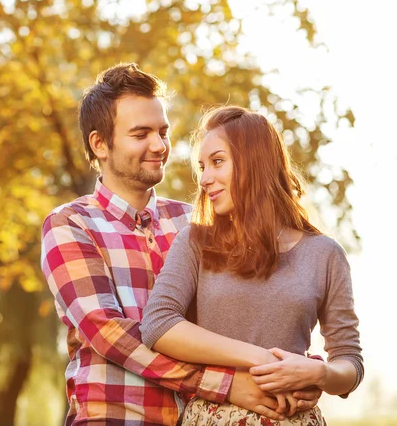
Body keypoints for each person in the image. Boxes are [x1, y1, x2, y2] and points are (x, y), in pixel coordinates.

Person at [41, 63, 322, 425]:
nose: (159, 146)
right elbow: (110, 334)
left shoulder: (198, 222)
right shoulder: (71, 224)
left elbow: (254, 309)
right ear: (100, 144)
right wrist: (226, 384)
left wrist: (303, 372)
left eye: (163, 131)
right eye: (140, 134)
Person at [140, 105, 364, 425]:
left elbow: (350, 362)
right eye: (202, 167)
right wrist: (260, 358)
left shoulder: (325, 254)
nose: (204, 178)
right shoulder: (195, 243)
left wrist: (320, 372)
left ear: (255, 162)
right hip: (213, 417)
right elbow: (158, 325)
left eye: (217, 162)